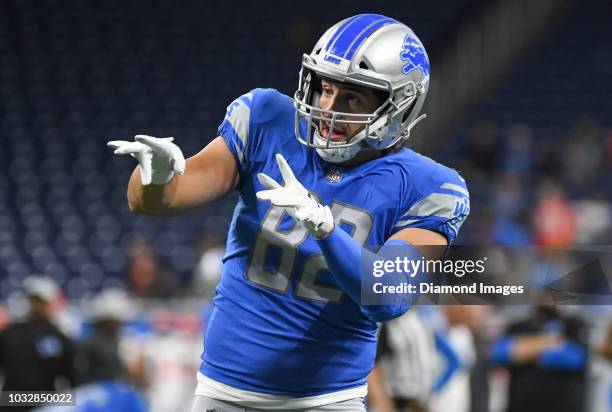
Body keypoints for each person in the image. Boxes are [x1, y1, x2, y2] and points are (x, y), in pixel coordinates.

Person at [108, 13, 470, 411]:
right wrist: (156, 178)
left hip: (329, 400)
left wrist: (327, 231)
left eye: (352, 97)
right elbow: (153, 201)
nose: (328, 109)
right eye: (326, 88)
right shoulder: (268, 120)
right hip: (223, 393)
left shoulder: (430, 185)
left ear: (397, 107)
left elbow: (388, 296)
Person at [0, 277, 74, 411]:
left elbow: (72, 376)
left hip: (44, 403)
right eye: (35, 301)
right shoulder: (9, 334)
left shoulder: (60, 337)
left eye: (43, 302)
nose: (38, 306)